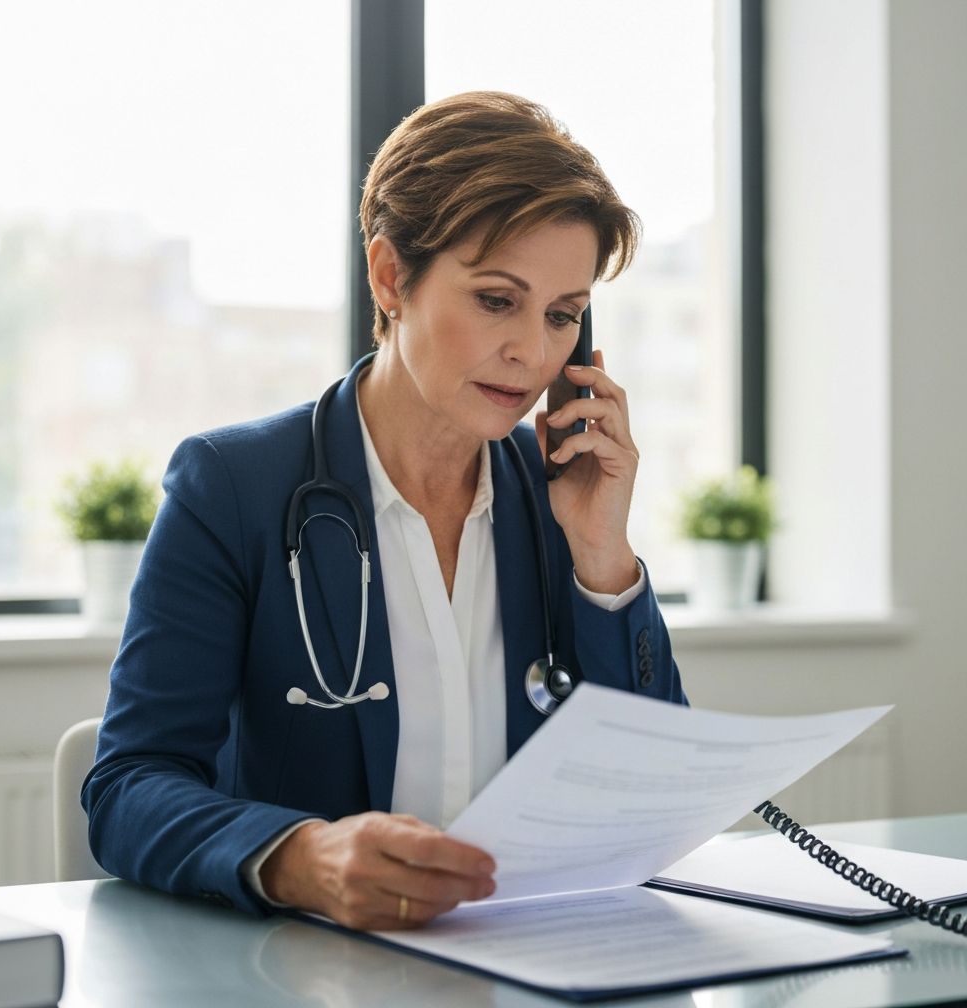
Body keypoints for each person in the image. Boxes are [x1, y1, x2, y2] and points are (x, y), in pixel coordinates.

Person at [83, 91, 687, 931]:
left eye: (562, 317)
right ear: (390, 276)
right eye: (495, 299)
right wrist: (304, 858)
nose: (531, 352)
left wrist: (603, 558)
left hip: (527, 968)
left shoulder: (558, 496)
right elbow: (128, 788)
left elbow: (653, 791)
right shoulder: (233, 486)